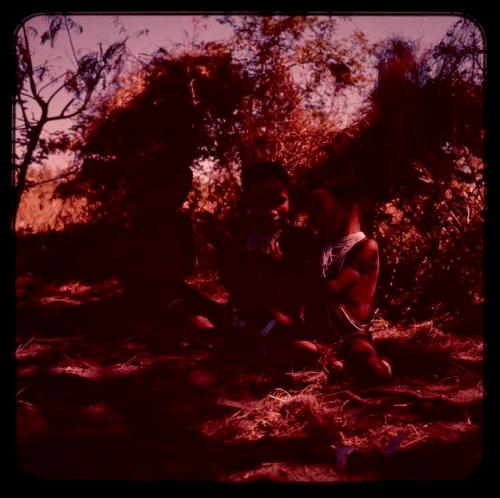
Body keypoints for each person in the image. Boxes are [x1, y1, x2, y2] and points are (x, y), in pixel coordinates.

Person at [215, 161, 318, 367]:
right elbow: (237, 288)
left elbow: (305, 289)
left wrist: (280, 269)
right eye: (261, 203)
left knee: (306, 348)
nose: (271, 211)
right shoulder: (238, 240)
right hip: (249, 316)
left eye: (278, 201)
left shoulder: (301, 241)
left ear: (291, 199)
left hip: (286, 321)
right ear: (248, 203)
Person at [305, 176, 392, 385]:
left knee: (371, 369)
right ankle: (333, 361)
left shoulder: (366, 248)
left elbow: (333, 288)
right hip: (320, 336)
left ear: (346, 205)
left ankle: (380, 364)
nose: (312, 217)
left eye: (319, 207)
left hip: (351, 335)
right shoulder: (322, 247)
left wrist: (301, 272)